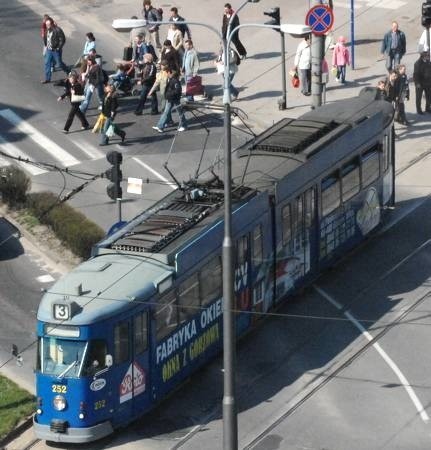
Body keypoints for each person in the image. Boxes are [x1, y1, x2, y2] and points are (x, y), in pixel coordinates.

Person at [42, 18, 68, 83]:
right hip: (49, 50)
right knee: (47, 63)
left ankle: (68, 71)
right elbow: (46, 39)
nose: (47, 26)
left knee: (59, 64)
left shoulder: (57, 30)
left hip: (56, 50)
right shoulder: (46, 30)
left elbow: (62, 40)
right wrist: (45, 47)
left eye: (49, 24)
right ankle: (48, 79)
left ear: (52, 23)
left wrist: (58, 47)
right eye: (46, 24)